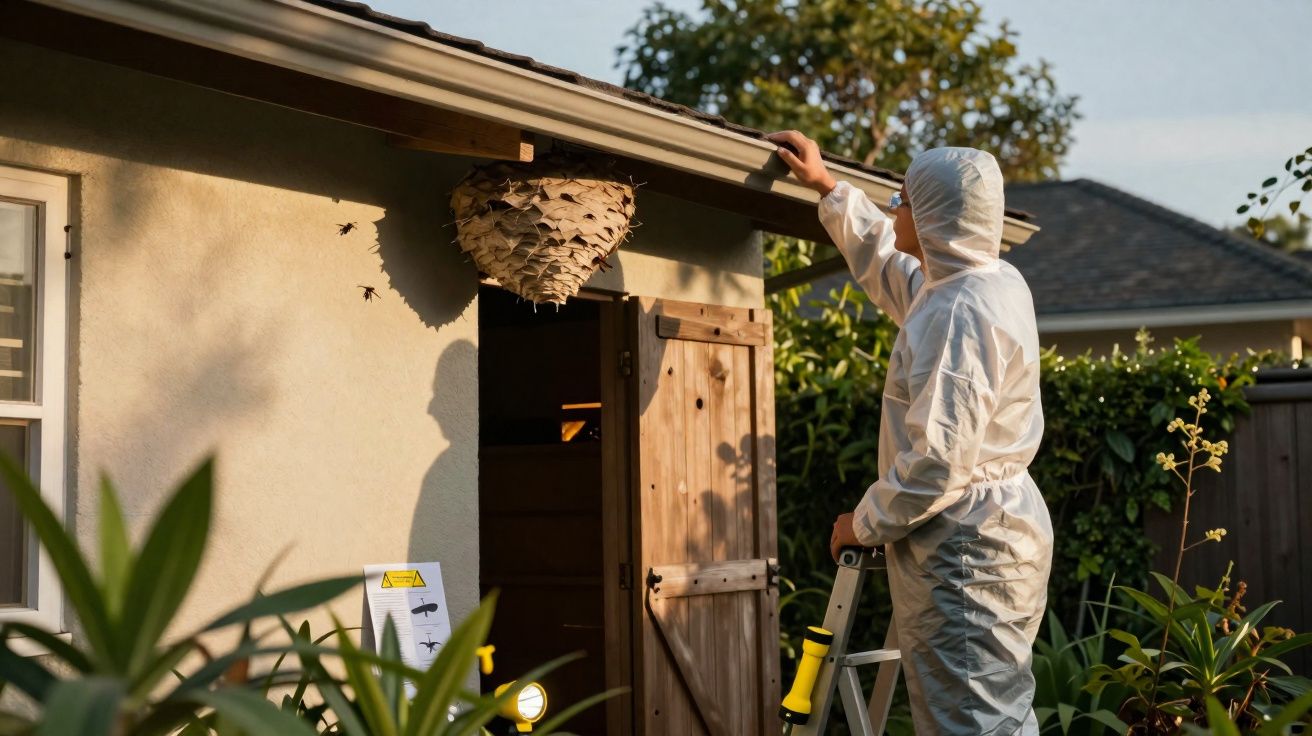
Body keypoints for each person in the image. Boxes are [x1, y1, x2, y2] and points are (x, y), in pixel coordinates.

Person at [766, 130, 1054, 735]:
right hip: (994, 528)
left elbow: (938, 462)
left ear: (933, 218)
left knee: (971, 721)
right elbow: (891, 266)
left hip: (967, 543)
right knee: (995, 711)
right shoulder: (984, 282)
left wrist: (864, 521)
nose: (894, 210)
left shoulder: (959, 315)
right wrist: (828, 187)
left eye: (902, 200)